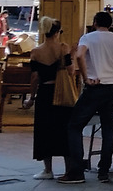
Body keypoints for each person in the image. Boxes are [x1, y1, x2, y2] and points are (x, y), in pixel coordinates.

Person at [60, 12, 113, 184]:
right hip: (112, 86)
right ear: (110, 24)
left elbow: (79, 55)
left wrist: (85, 77)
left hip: (95, 86)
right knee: (108, 129)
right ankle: (104, 171)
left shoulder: (88, 38)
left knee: (74, 126)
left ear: (95, 22)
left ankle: (76, 171)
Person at [23, 17, 75, 180]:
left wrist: (31, 98)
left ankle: (47, 170)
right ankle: (68, 170)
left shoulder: (36, 52)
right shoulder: (63, 48)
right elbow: (71, 71)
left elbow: (34, 77)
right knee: (64, 131)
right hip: (62, 93)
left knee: (44, 130)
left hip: (44, 93)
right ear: (58, 32)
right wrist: (71, 54)